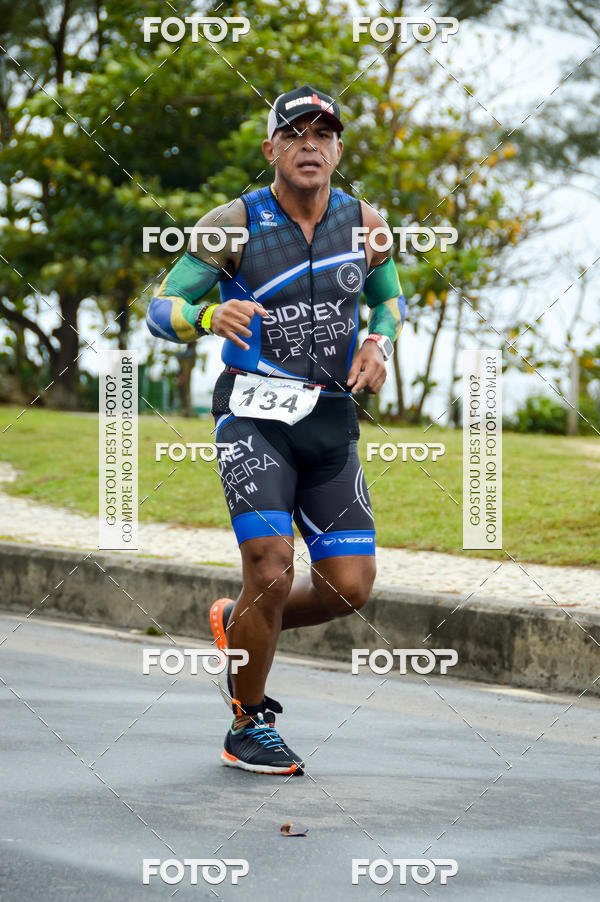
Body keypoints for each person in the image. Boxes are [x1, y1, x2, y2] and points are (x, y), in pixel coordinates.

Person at [147, 85, 405, 775]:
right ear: (272, 149)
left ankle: (240, 623)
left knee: (349, 586)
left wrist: (379, 343)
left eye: (324, 134)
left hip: (329, 420)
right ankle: (247, 719)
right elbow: (160, 306)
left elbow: (388, 297)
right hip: (253, 417)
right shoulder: (231, 224)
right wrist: (205, 318)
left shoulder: (366, 223)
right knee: (269, 565)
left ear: (340, 149)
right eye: (295, 133)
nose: (310, 144)